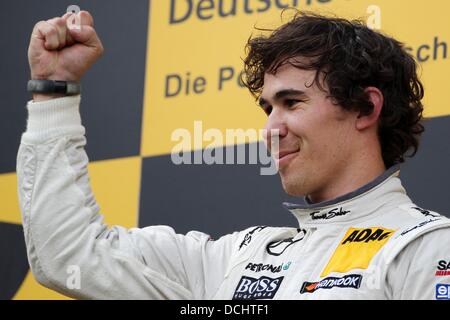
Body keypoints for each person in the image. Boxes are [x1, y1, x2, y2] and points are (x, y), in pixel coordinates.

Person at [18, 10, 450, 300]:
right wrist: (54, 90)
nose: (270, 129)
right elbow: (70, 254)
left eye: (292, 103)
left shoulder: (427, 248)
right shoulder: (238, 257)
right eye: (268, 108)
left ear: (366, 108)